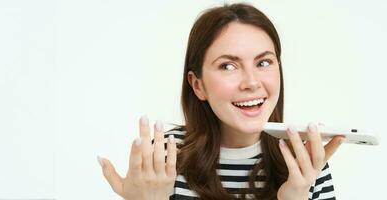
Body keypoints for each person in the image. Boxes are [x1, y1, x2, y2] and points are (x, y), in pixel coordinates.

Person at [97, 3, 345, 200]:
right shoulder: (164, 159)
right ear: (198, 85)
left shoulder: (304, 162)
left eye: (264, 62)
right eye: (228, 66)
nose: (251, 82)